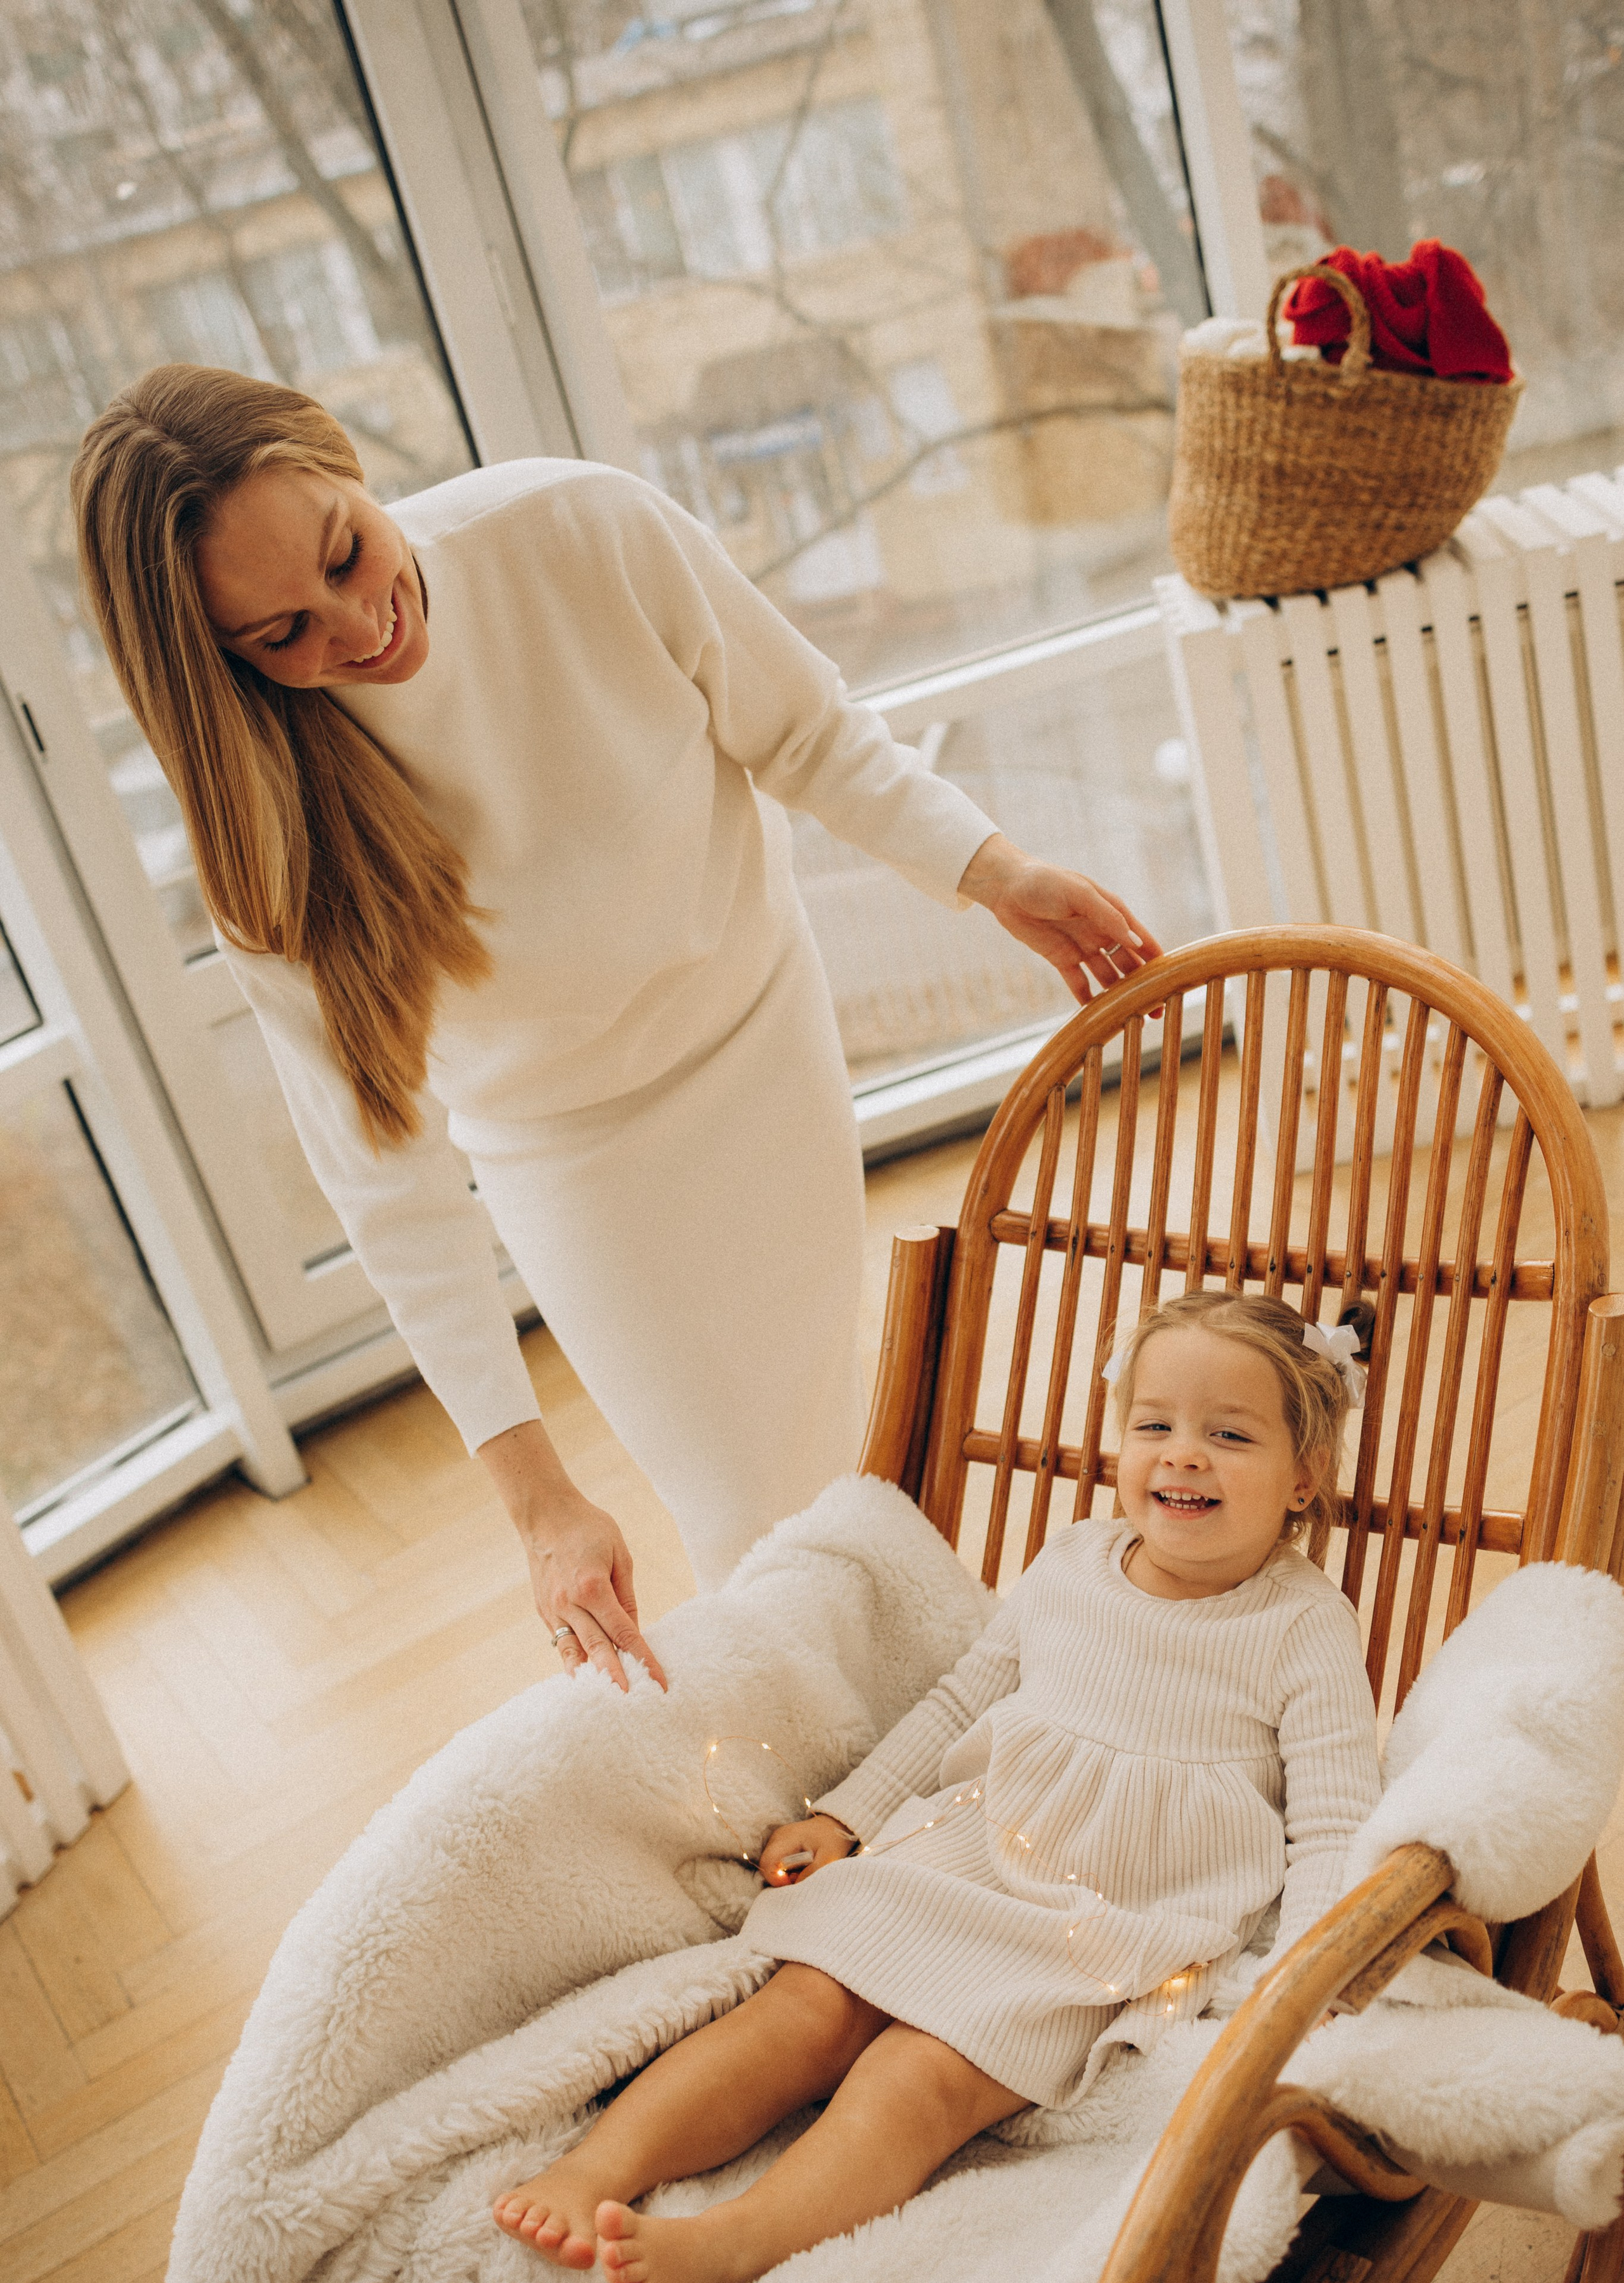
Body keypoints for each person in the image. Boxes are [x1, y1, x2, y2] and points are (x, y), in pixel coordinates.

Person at [71, 366, 1163, 1686]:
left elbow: (806, 734)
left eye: (349, 551)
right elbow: (392, 1191)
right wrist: (539, 1504)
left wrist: (993, 872)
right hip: (573, 1159)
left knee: (839, 1436)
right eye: (280, 635)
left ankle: (958, 1710)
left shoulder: (577, 529)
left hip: (761, 1033)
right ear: (214, 663)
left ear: (344, 464)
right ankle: (861, 1773)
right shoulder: (266, 849)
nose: (360, 628)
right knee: (743, 1512)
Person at [491, 1288, 1382, 2283]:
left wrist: (1311, 1981)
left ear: (1303, 1480)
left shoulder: (1304, 1626)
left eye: (1229, 1436)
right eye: (1156, 1426)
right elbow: (965, 1698)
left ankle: (724, 2246)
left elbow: (1332, 1816)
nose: (1182, 1456)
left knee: (916, 2080)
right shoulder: (1072, 1567)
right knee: (804, 2011)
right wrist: (850, 1816)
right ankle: (599, 2165)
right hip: (969, 1849)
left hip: (1099, 1922)